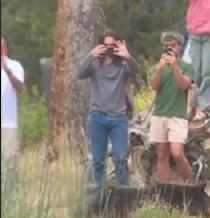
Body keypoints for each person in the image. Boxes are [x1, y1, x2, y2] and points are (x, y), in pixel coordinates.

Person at [78, 30, 140, 187]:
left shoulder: (122, 67)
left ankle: (124, 194)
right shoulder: (95, 65)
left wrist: (128, 56)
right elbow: (80, 73)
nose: (109, 49)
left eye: (112, 46)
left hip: (118, 117)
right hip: (98, 116)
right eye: (105, 46)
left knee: (120, 159)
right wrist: (91, 55)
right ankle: (100, 194)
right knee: (98, 160)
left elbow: (136, 72)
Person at [149, 31, 194, 182]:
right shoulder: (157, 67)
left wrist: (174, 67)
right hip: (160, 113)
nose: (169, 49)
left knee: (177, 153)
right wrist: (161, 68)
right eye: (166, 46)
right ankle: (165, 186)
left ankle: (188, 182)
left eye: (173, 45)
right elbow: (154, 86)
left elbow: (184, 85)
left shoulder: (186, 67)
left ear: (180, 47)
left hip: (177, 115)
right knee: (161, 153)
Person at [1, 33, 24, 168]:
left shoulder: (15, 66)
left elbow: (19, 87)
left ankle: (10, 189)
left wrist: (7, 71)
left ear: (6, 48)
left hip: (8, 123)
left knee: (10, 166)